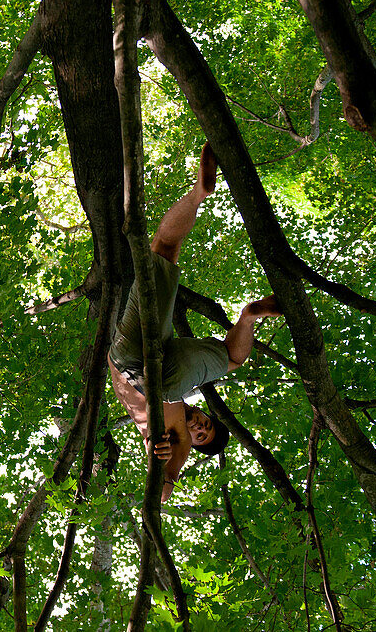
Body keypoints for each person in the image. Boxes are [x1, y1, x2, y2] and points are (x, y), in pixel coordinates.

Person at [108, 144, 281, 502]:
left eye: (201, 435)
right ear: (206, 413)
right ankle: (248, 315)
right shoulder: (187, 396)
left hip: (134, 369)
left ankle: (200, 194)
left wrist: (166, 473)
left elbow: (164, 489)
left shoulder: (170, 436)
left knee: (160, 251)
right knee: (163, 251)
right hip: (166, 362)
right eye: (208, 425)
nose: (200, 428)